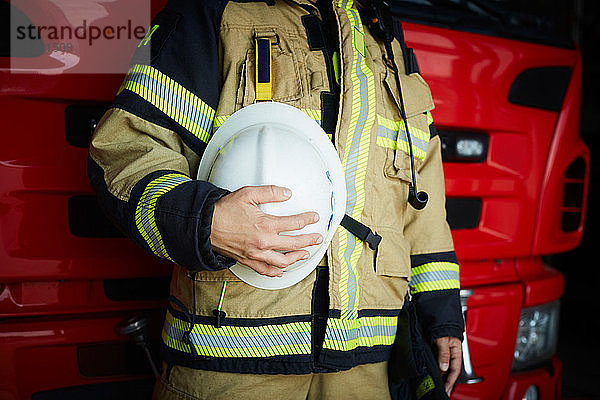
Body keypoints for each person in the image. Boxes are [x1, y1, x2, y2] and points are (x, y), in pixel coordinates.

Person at [87, 0, 464, 398]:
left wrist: (439, 318)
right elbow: (124, 150)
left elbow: (421, 201)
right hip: (229, 366)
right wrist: (205, 222)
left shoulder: (383, 35)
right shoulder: (214, 12)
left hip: (367, 369)